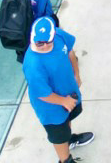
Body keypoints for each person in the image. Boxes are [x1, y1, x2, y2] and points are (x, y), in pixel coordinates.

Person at [22, 17, 92, 160]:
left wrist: (77, 74)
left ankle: (69, 139)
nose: (44, 46)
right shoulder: (32, 64)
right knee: (58, 134)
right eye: (40, 43)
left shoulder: (59, 35)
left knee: (67, 119)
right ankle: (65, 159)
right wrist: (63, 101)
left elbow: (70, 51)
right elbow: (41, 93)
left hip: (68, 94)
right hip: (51, 107)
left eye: (48, 41)